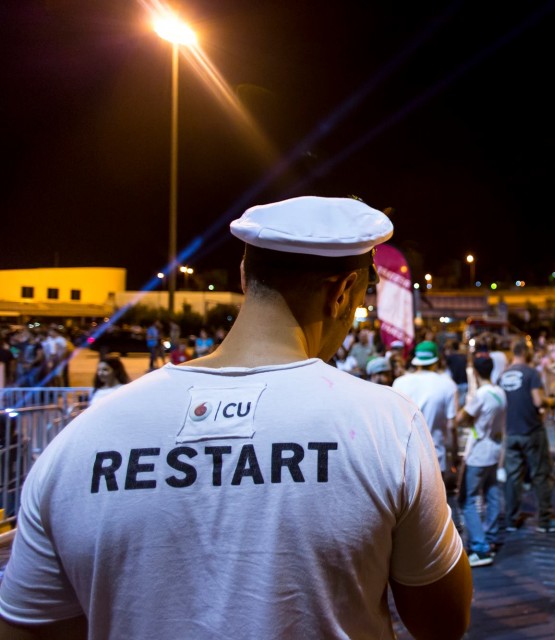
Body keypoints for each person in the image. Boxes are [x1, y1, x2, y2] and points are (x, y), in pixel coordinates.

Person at [0, 196, 471, 639]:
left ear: (245, 278)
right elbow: (442, 621)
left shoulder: (81, 438)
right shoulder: (387, 425)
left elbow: (29, 625)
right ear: (344, 292)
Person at [499, 339, 555, 533]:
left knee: (513, 477)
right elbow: (538, 401)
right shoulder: (531, 374)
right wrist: (551, 401)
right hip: (531, 430)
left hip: (511, 432)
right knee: (540, 474)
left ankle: (511, 519)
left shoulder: (503, 376)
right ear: (524, 351)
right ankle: (545, 520)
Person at [455, 356, 507, 568]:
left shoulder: (481, 395)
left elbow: (460, 418)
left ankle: (480, 547)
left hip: (478, 452)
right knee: (492, 492)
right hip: (494, 450)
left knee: (467, 500)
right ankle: (491, 536)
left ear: (475, 372)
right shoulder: (501, 392)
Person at [392, 340, 459, 474]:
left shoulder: (399, 383)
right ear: (436, 360)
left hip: (405, 459)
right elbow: (452, 426)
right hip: (435, 459)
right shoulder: (447, 385)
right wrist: (454, 455)